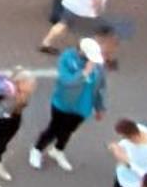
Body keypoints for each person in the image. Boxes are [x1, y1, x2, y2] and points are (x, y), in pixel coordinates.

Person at [31, 37, 108, 171]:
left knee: (68, 131)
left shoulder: (97, 64)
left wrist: (99, 107)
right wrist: (84, 73)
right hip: (63, 104)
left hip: (83, 107)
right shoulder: (67, 59)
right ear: (81, 51)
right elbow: (66, 82)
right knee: (54, 129)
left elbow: (99, 87)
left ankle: (58, 150)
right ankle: (37, 149)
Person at [0, 66, 34, 187]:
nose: (32, 86)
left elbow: (20, 107)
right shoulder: (8, 90)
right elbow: (12, 103)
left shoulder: (23, 92)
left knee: (4, 144)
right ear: (21, 83)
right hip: (0, 120)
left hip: (13, 118)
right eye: (29, 83)